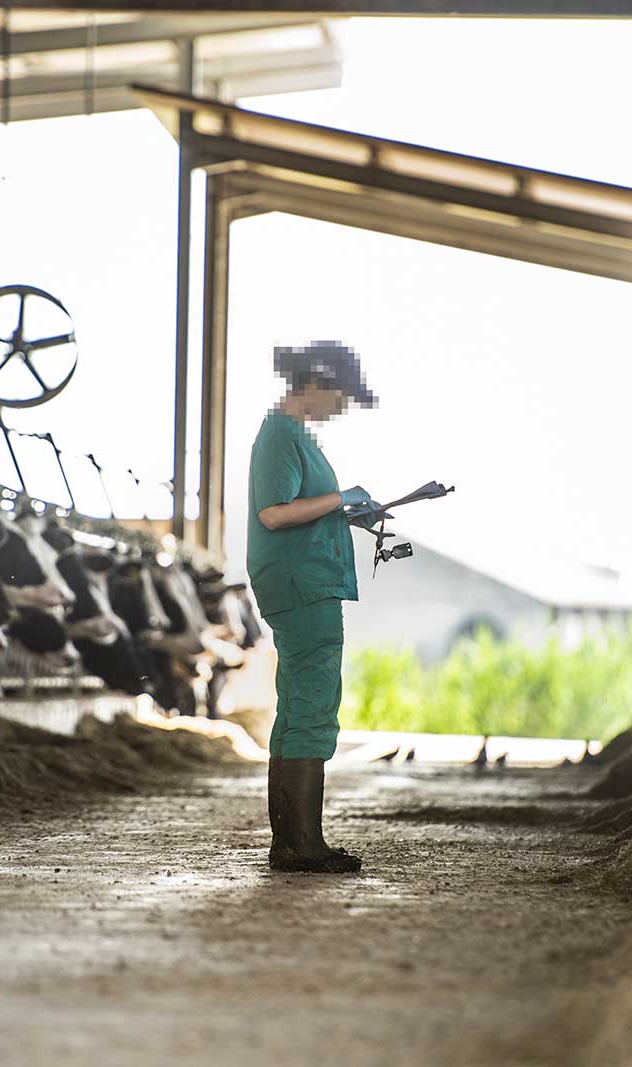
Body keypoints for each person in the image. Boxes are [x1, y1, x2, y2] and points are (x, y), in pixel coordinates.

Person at [247, 340, 379, 874]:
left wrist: (344, 514)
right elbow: (274, 514)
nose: (341, 408)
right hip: (302, 584)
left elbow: (301, 511)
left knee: (300, 699)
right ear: (317, 384)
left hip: (308, 578)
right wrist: (342, 498)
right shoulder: (280, 431)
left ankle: (293, 840)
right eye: (340, 396)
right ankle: (301, 845)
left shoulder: (296, 434)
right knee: (314, 701)